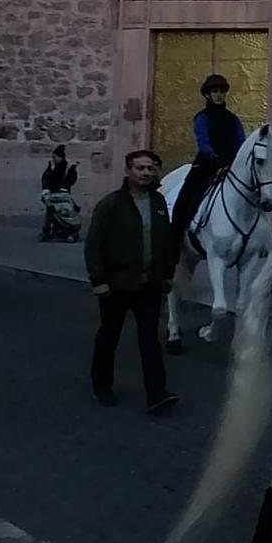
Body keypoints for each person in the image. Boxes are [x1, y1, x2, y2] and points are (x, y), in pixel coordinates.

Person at [84, 150, 178, 414]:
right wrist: (98, 280)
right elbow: (94, 245)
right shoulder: (111, 205)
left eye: (150, 168)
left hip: (149, 284)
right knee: (109, 335)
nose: (146, 173)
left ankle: (157, 394)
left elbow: (166, 240)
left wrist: (167, 274)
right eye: (140, 168)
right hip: (117, 284)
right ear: (128, 171)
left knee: (150, 339)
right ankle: (102, 385)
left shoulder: (158, 202)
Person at [170, 74, 246, 253]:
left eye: (221, 92)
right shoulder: (202, 117)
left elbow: (241, 140)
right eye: (215, 91)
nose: (219, 95)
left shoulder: (233, 119)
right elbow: (203, 142)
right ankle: (175, 236)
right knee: (186, 195)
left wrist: (237, 160)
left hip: (231, 164)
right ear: (208, 95)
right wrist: (215, 158)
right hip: (207, 164)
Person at [40, 146, 81, 242]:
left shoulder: (68, 167)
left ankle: (70, 231)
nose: (53, 159)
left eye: (55, 157)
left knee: (65, 212)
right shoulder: (52, 167)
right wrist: (46, 188)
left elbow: (71, 178)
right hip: (52, 194)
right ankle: (48, 231)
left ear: (60, 157)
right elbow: (46, 178)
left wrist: (64, 186)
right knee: (51, 213)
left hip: (63, 195)